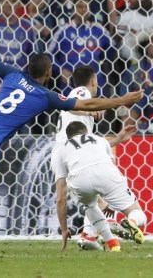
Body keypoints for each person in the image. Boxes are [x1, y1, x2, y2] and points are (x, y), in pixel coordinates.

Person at [0, 26, 143, 253]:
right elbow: (87, 104)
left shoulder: (12, 73)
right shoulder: (45, 96)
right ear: (48, 74)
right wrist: (121, 101)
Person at [51, 66, 147, 250]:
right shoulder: (82, 92)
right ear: (94, 80)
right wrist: (88, 111)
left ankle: (89, 236)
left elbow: (89, 144)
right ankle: (115, 227)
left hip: (69, 156)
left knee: (93, 202)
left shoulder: (80, 125)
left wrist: (117, 139)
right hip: (70, 155)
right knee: (105, 201)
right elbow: (73, 104)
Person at [53, 122, 146, 252]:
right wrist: (109, 200)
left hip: (80, 181)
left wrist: (64, 230)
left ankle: (112, 243)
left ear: (69, 137)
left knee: (89, 205)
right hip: (107, 175)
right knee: (137, 212)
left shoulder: (60, 150)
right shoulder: (100, 140)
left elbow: (61, 198)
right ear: (87, 132)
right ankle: (132, 222)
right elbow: (111, 167)